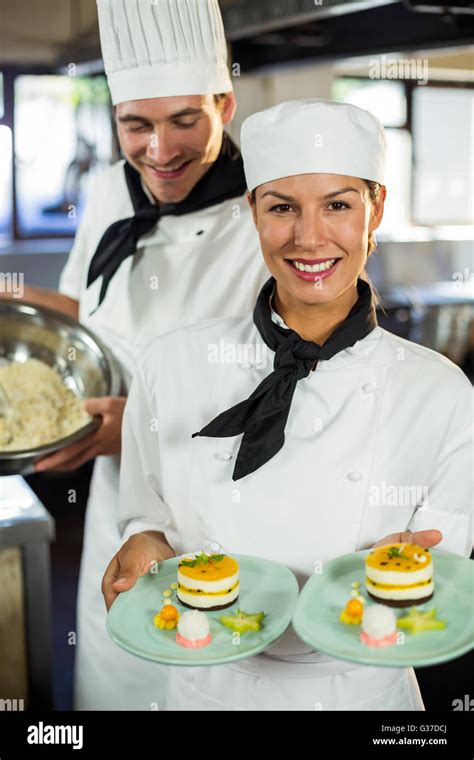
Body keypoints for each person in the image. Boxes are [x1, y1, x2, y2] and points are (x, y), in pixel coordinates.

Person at [103, 99, 472, 710]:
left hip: (363, 693)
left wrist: (414, 574)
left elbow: (440, 569)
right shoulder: (171, 365)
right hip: (208, 685)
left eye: (338, 205)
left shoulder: (441, 391)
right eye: (281, 208)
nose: (309, 237)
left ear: (375, 209)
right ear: (253, 212)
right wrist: (144, 543)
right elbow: (146, 516)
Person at [1, 0, 268, 710]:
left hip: (229, 519)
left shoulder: (266, 216)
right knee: (113, 685)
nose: (158, 150)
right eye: (135, 124)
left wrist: (142, 425)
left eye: (185, 121)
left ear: (225, 101)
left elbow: (295, 386)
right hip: (121, 512)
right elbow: (86, 321)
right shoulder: (104, 195)